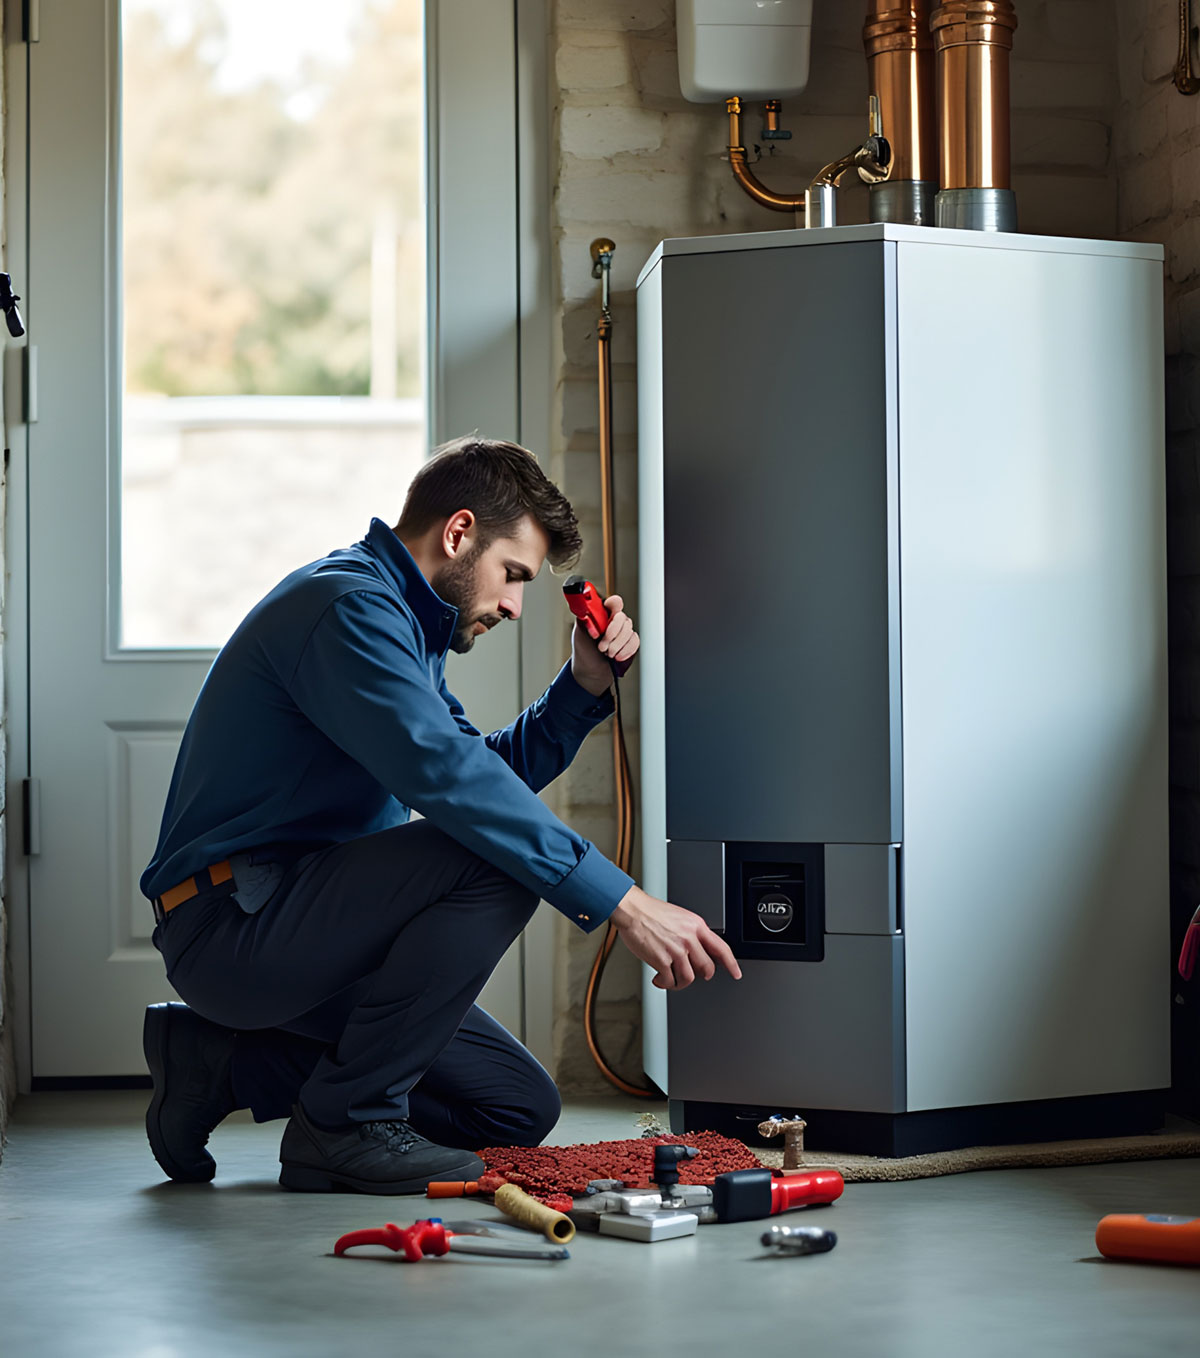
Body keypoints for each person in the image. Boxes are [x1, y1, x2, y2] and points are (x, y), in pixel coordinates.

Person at [140, 436, 740, 1195]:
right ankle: (346, 1124)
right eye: (512, 575)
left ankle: (220, 1064)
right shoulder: (348, 609)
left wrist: (580, 688)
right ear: (458, 534)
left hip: (313, 932)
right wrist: (628, 904)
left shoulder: (401, 623)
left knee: (513, 1106)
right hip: (235, 927)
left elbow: (475, 772)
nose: (516, 606)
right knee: (494, 856)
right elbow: (454, 783)